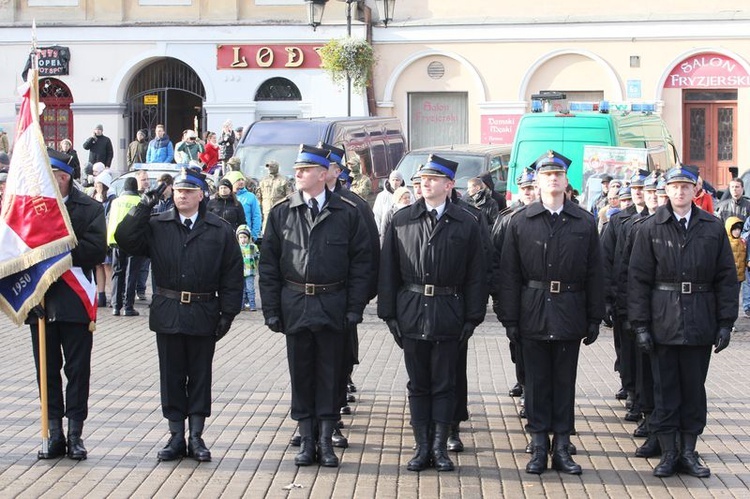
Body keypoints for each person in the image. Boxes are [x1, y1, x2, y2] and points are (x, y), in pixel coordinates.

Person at [115, 168, 243, 462]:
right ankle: (175, 435)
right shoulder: (158, 224)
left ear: (201, 195)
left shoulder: (218, 229)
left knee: (199, 376)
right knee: (172, 376)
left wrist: (229, 313)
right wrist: (143, 206)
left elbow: (232, 273)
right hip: (169, 311)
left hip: (203, 311)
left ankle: (196, 436)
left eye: (188, 191)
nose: (182, 195)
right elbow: (124, 239)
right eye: (178, 190)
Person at [259, 144, 372, 469]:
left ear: (323, 174)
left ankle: (326, 441)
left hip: (333, 304)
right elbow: (269, 265)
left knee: (330, 375)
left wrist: (354, 308)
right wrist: (272, 310)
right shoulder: (282, 212)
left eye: (305, 169)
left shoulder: (347, 213)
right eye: (296, 169)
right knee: (302, 375)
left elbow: (361, 264)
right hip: (295, 304)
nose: (298, 174)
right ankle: (306, 441)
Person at [378, 154, 487, 473]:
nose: (425, 182)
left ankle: (440, 448)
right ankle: (421, 446)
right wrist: (389, 315)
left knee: (444, 384)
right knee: (418, 384)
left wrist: (472, 317)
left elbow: (476, 274)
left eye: (434, 178)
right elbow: (389, 271)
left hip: (448, 312)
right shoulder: (402, 219)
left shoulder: (466, 221)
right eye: (423, 178)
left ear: (450, 185)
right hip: (412, 311)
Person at [498, 151, 604, 475]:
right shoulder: (520, 221)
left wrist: (594, 317)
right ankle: (538, 445)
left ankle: (562, 447)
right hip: (532, 312)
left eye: (557, 174)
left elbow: (595, 273)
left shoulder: (583, 221)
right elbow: (509, 275)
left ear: (566, 181)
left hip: (569, 312)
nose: (552, 179)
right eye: (546, 175)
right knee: (536, 383)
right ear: (538, 181)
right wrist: (510, 319)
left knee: (564, 383)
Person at [628, 165, 737, 478]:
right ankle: (669, 452)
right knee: (664, 390)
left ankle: (689, 451)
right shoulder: (651, 227)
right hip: (663, 320)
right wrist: (641, 325)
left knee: (693, 389)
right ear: (666, 191)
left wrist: (725, 322)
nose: (679, 192)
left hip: (700, 319)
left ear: (695, 191)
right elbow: (638, 280)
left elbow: (726, 278)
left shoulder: (712, 227)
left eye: (685, 187)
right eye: (674, 186)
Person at [28, 148, 107, 460]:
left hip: (75, 300)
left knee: (77, 370)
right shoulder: (32, 210)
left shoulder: (89, 207)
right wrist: (28, 299)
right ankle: (54, 434)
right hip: (41, 301)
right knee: (46, 372)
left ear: (63, 177)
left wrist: (58, 248)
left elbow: (95, 250)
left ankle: (75, 434)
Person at [601, 169, 648, 408]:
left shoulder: (657, 219)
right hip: (623, 297)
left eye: (642, 189)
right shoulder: (619, 220)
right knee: (626, 349)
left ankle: (643, 397)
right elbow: (606, 260)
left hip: (648, 300)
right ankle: (630, 389)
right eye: (635, 189)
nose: (638, 193)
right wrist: (607, 299)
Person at [491, 170, 537, 404]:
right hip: (514, 294)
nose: (528, 192)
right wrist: (498, 296)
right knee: (517, 342)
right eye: (525, 187)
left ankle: (530, 388)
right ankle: (523, 381)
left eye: (532, 187)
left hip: (537, 295)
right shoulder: (507, 217)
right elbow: (496, 258)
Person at [107, 177, 143, 317]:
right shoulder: (139, 201)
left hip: (116, 241)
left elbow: (109, 220)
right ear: (135, 188)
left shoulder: (115, 202)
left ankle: (116, 306)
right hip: (134, 242)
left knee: (117, 273)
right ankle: (128, 307)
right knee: (131, 274)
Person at [92, 170, 116, 308]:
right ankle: (101, 296)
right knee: (98, 266)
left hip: (106, 236)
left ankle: (113, 296)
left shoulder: (112, 199)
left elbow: (109, 218)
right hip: (96, 236)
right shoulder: (94, 197)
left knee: (107, 266)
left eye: (98, 184)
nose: (96, 187)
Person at [256, 160, 293, 232]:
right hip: (266, 211)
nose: (269, 169)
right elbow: (258, 195)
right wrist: (259, 206)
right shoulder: (263, 180)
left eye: (271, 167)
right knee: (266, 230)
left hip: (280, 210)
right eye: (268, 167)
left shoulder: (284, 180)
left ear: (276, 167)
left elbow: (289, 196)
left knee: (279, 230)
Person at [225, 170, 262, 241]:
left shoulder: (251, 197)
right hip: (229, 236)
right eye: (238, 180)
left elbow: (256, 216)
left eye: (242, 179)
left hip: (245, 237)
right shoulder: (227, 197)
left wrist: (253, 235)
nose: (241, 182)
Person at [373, 170, 405, 235]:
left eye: (397, 180)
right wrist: (378, 231)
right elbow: (377, 214)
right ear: (389, 181)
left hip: (402, 230)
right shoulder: (382, 196)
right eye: (393, 180)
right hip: (386, 231)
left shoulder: (407, 194)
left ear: (401, 182)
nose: (395, 182)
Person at [236, 224, 259, 311]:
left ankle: (252, 305)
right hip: (240, 272)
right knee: (241, 289)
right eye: (241, 237)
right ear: (238, 238)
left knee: (250, 289)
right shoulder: (237, 248)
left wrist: (255, 266)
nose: (243, 239)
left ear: (249, 237)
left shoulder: (252, 247)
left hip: (250, 272)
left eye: (245, 237)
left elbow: (257, 257)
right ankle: (241, 305)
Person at [726, 217, 747, 284]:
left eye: (739, 229)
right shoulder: (725, 243)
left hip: (739, 278)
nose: (737, 232)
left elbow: (744, 258)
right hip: (728, 277)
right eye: (735, 229)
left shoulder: (742, 242)